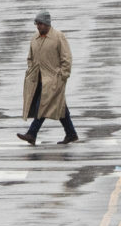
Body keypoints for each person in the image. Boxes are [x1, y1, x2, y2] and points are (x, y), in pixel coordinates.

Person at [18, 11, 79, 145]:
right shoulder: (34, 39)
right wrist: (31, 71)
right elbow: (30, 58)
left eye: (40, 24)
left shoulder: (58, 37)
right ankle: (71, 134)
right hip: (38, 80)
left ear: (47, 24)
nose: (38, 26)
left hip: (54, 80)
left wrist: (63, 75)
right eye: (36, 24)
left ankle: (31, 134)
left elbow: (66, 58)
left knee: (43, 106)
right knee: (60, 106)